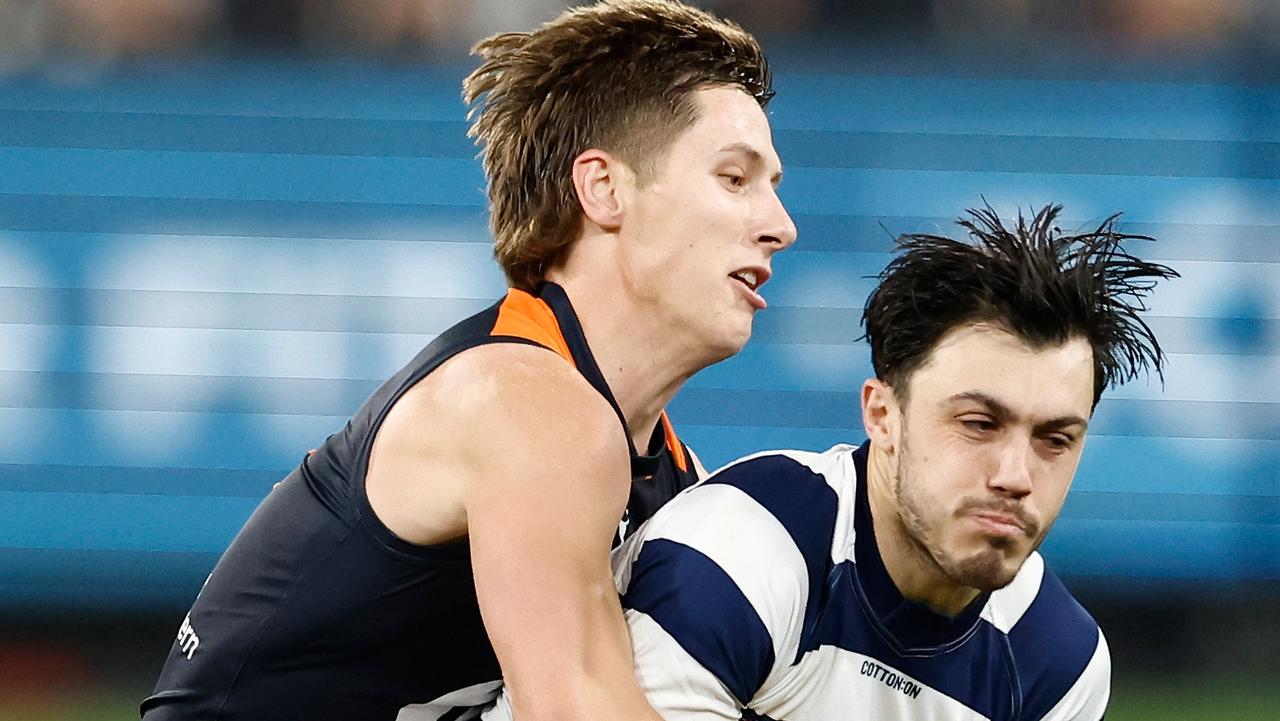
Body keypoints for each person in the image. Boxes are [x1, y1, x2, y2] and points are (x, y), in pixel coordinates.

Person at [140, 2, 796, 719]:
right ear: (604, 189)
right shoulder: (528, 405)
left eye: (772, 187)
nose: (780, 226)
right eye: (735, 179)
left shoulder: (658, 472)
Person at [486, 204, 1176, 721]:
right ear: (882, 414)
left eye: (1055, 438)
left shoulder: (1057, 660)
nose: (1015, 475)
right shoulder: (741, 556)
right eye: (978, 423)